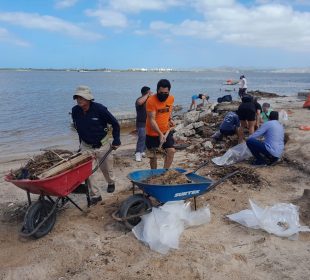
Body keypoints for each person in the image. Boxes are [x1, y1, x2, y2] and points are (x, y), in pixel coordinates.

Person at [71, 85, 121, 205]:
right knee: (88, 173)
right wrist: (80, 145)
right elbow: (79, 129)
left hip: (103, 145)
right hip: (86, 146)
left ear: (88, 98)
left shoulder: (100, 109)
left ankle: (110, 182)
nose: (79, 99)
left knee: (107, 169)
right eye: (77, 97)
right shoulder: (75, 111)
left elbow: (115, 123)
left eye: (81, 97)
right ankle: (96, 195)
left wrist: (117, 140)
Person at [145, 79, 175, 169]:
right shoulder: (151, 101)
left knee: (171, 151)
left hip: (166, 131)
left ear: (169, 91)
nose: (164, 95)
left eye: (166, 93)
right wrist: (159, 134)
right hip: (152, 133)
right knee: (153, 156)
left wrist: (170, 119)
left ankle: (164, 172)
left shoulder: (171, 98)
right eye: (161, 93)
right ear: (157, 90)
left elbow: (169, 111)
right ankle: (154, 173)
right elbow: (152, 120)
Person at [135, 86, 152, 162]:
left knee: (146, 138)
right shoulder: (139, 100)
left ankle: (142, 151)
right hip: (141, 122)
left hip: (149, 122)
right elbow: (140, 102)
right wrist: (147, 95)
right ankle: (138, 153)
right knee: (141, 137)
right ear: (146, 93)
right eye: (149, 92)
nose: (151, 93)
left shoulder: (149, 100)